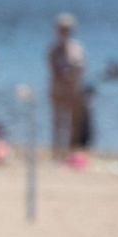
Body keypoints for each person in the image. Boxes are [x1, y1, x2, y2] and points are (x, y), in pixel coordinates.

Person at [47, 12, 87, 158]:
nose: (64, 32)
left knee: (75, 123)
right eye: (62, 29)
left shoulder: (77, 48)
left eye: (67, 29)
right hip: (58, 90)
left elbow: (82, 69)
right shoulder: (53, 50)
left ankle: (72, 152)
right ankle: (57, 152)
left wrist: (73, 74)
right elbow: (53, 69)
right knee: (57, 122)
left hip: (74, 90)